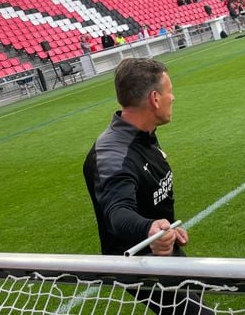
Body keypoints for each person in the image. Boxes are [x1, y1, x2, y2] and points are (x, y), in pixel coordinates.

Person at [83, 58, 212, 315]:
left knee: (193, 299)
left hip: (161, 243)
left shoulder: (143, 131)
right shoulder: (113, 155)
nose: (173, 98)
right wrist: (150, 229)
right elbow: (117, 213)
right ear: (154, 98)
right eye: (169, 91)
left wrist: (167, 228)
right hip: (137, 262)